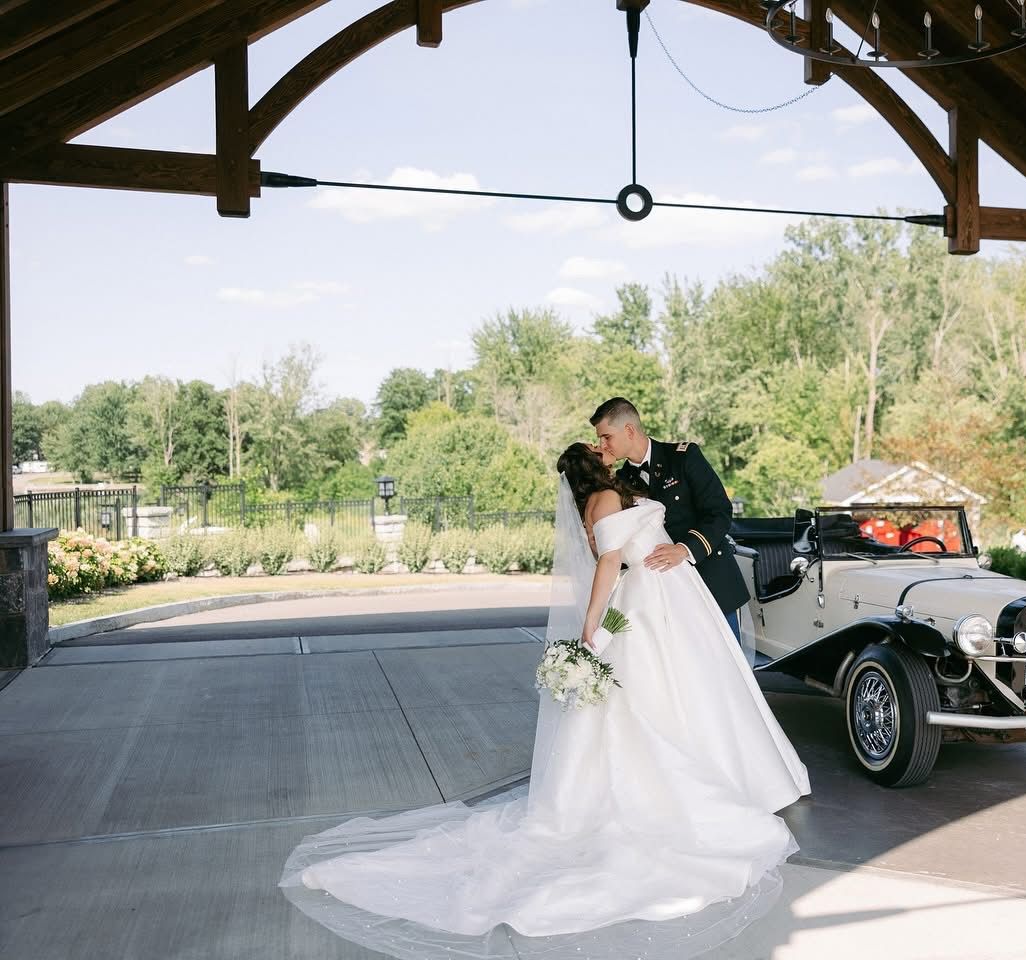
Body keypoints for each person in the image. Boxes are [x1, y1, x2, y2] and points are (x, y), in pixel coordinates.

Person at [278, 442, 810, 960]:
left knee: (697, 691)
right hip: (649, 601)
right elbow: (608, 566)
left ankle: (733, 772)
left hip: (672, 595)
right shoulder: (605, 501)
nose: (607, 450)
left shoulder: (622, 488)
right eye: (598, 447)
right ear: (590, 468)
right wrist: (590, 630)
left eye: (605, 439)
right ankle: (695, 784)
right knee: (655, 700)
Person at [591, 397, 749, 643]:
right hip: (661, 598)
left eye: (606, 437)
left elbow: (718, 511)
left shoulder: (684, 457)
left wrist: (684, 549)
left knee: (725, 669)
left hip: (710, 581)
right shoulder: (620, 482)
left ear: (629, 430)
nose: (602, 444)